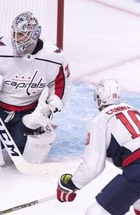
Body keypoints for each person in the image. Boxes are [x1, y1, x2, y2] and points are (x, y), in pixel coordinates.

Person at [0, 11, 71, 163]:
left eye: (21, 34)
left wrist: (48, 108)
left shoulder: (54, 56)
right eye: (14, 33)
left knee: (25, 151)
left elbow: (61, 85)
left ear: (34, 34)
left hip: (26, 112)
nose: (16, 38)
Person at [56, 79, 140, 215]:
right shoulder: (133, 110)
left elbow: (93, 166)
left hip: (137, 171)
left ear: (99, 97)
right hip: (136, 173)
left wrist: (71, 185)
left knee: (96, 212)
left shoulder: (100, 120)